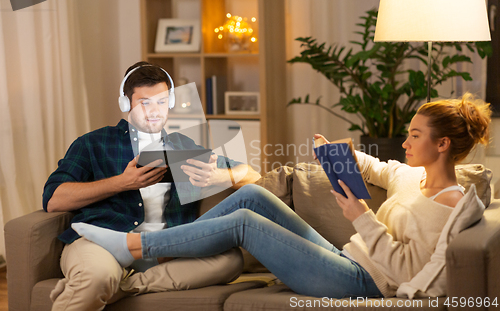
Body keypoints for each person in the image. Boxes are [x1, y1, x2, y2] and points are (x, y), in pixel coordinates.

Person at [71, 93, 491, 299]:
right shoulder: (409, 177)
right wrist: (335, 153)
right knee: (253, 196)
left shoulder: (449, 205)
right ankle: (156, 250)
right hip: (349, 258)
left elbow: (405, 271)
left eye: (415, 136)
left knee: (244, 224)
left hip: (364, 283)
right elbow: (373, 166)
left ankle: (133, 246)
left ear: (442, 146)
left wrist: (362, 215)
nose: (404, 142)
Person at [43, 61, 261, 310]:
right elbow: (53, 199)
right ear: (126, 104)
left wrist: (221, 177)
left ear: (170, 102)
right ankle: (105, 282)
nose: (154, 111)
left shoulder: (182, 145)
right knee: (98, 277)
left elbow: (252, 175)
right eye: (144, 102)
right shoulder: (93, 143)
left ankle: (123, 286)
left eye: (160, 101)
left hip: (164, 250)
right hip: (102, 241)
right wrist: (122, 183)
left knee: (230, 260)